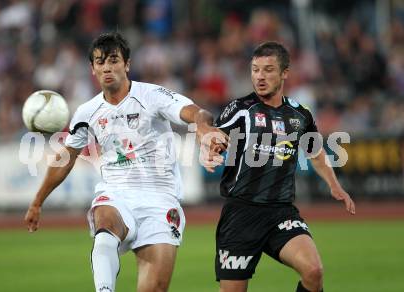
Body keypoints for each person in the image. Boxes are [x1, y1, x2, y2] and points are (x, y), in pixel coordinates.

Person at [24, 31, 226, 292]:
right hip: (117, 193)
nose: (107, 67)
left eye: (113, 60)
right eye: (100, 62)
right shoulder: (87, 112)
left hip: (160, 200)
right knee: (105, 223)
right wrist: (38, 201)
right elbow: (65, 158)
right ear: (92, 68)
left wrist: (203, 129)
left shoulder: (152, 95)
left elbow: (197, 112)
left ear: (127, 64)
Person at [210, 41, 356, 292]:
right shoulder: (241, 109)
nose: (260, 76)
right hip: (241, 214)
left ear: (285, 73)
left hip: (281, 212)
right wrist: (213, 146)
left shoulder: (300, 115)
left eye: (268, 70)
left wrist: (335, 185)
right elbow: (215, 134)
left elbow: (315, 151)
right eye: (255, 69)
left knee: (313, 271)